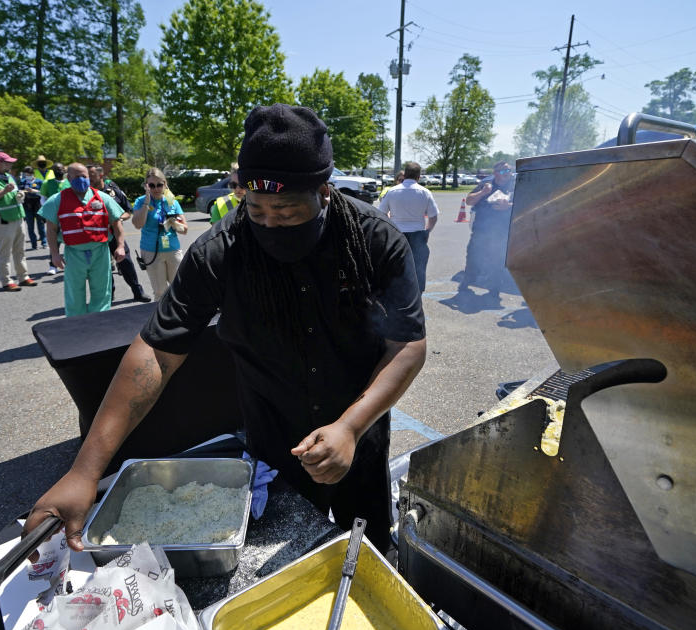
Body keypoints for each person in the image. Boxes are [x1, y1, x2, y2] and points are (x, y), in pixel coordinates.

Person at [23, 104, 427, 555]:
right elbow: (155, 353)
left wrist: (350, 428)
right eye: (256, 211)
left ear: (324, 192)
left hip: (361, 425)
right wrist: (84, 472)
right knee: (285, 557)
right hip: (274, 438)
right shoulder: (220, 250)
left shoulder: (374, 239)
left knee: (369, 546)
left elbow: (407, 343)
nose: (271, 223)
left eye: (288, 211)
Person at [39, 163, 126, 316]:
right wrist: (54, 254)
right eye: (77, 176)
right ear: (69, 178)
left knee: (102, 292)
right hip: (74, 253)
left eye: (84, 176)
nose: (81, 179)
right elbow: (51, 229)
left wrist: (120, 246)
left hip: (100, 252)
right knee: (74, 293)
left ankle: (99, 324)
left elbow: (116, 223)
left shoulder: (103, 197)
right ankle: (76, 328)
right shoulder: (57, 200)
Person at [87, 164, 150, 303]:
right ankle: (110, 294)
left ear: (101, 175)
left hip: (115, 233)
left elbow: (127, 211)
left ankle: (137, 291)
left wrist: (117, 219)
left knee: (126, 263)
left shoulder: (113, 191)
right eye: (86, 176)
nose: (88, 179)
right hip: (96, 237)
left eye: (91, 175)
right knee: (104, 267)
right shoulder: (84, 194)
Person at [0, 151, 37, 291]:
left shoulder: (8, 176)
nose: (10, 164)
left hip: (17, 216)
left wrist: (20, 193)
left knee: (20, 250)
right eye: (7, 162)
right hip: (2, 219)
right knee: (4, 251)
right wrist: (3, 192)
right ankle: (6, 280)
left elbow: (14, 192)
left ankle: (23, 277)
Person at [378, 162, 439, 293]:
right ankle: (417, 296)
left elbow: (381, 213)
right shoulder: (425, 192)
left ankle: (397, 296)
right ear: (419, 176)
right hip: (418, 234)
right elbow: (433, 216)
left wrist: (390, 227)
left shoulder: (392, 191)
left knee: (396, 266)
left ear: (404, 175)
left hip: (397, 234)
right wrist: (427, 231)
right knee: (418, 268)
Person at [459, 160, 515, 300]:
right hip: (481, 229)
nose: (507, 173)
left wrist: (509, 206)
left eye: (508, 170)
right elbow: (469, 201)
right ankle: (466, 283)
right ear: (496, 173)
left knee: (497, 260)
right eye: (503, 171)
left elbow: (525, 202)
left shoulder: (515, 184)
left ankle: (494, 290)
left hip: (501, 230)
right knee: (473, 256)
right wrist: (483, 192)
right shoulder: (486, 183)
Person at [131, 168, 188, 300]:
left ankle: (179, 319)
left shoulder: (172, 201)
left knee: (179, 289)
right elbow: (138, 224)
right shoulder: (141, 201)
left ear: (165, 184)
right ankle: (161, 319)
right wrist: (146, 201)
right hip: (152, 251)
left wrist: (172, 222)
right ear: (146, 186)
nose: (156, 188)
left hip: (173, 250)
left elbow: (184, 230)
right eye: (151, 185)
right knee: (160, 292)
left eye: (159, 185)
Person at [40, 162, 69, 276]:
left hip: (67, 216)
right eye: (56, 169)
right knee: (54, 241)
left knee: (70, 241)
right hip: (54, 216)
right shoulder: (47, 183)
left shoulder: (69, 183)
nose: (59, 171)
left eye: (61, 168)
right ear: (52, 170)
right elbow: (42, 198)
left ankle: (69, 264)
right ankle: (53, 265)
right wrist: (49, 210)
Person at [18, 165, 45, 250]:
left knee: (40, 224)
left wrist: (35, 191)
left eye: (29, 174)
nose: (27, 176)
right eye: (26, 174)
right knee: (30, 225)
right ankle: (34, 244)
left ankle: (44, 242)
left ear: (33, 174)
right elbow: (19, 191)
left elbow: (43, 193)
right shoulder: (22, 182)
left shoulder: (39, 181)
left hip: (38, 203)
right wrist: (21, 192)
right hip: (27, 204)